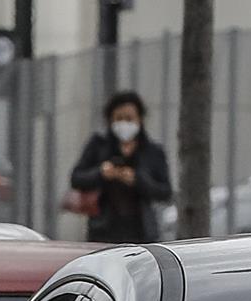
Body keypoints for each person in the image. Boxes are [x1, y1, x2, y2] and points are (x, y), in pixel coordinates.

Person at [69, 90, 173, 243]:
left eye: (129, 119)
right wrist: (101, 173)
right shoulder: (99, 145)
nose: (124, 124)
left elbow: (165, 191)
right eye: (119, 118)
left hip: (141, 232)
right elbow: (76, 178)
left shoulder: (153, 151)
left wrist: (137, 180)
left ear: (140, 119)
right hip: (103, 231)